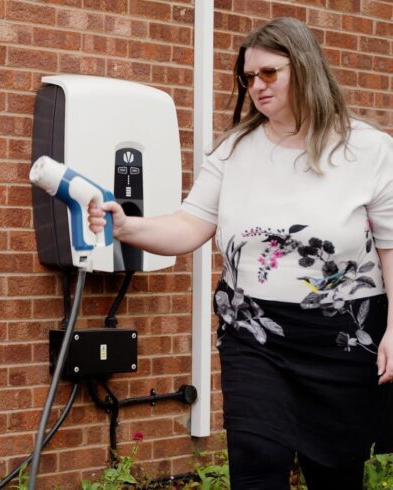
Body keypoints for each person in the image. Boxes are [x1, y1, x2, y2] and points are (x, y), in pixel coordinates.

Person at [88, 17, 393, 490]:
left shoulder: (369, 151)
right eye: (248, 77)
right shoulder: (235, 150)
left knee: (335, 472)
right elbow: (189, 225)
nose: (256, 86)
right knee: (256, 456)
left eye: (269, 73)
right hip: (254, 331)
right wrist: (127, 226)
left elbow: (392, 247)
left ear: (306, 68)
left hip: (343, 339)